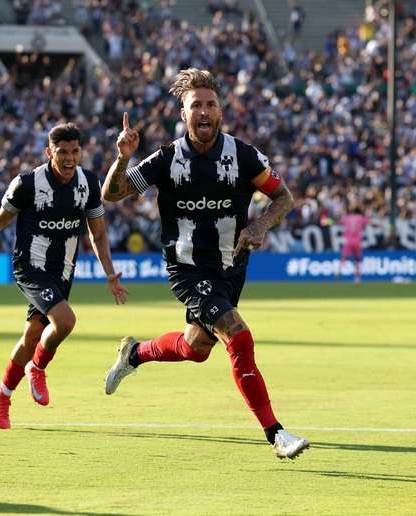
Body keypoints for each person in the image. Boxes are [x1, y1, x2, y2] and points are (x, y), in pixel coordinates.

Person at [101, 68, 309, 459]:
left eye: (210, 104)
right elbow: (113, 194)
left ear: (221, 110)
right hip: (187, 267)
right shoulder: (166, 159)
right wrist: (120, 159)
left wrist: (260, 224)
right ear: (184, 114)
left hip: (232, 266)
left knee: (196, 347)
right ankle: (276, 435)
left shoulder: (244, 156)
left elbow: (283, 197)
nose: (204, 111)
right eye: (195, 105)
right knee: (239, 336)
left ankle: (134, 354)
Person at [0, 123, 128, 429]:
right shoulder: (27, 183)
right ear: (49, 152)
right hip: (29, 267)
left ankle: (2, 393)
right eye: (62, 152)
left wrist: (109, 274)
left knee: (30, 336)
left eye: (75, 151)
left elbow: (99, 234)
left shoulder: (88, 183)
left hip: (62, 272)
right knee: (65, 321)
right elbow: (2, 218)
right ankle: (37, 367)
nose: (69, 158)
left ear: (81, 151)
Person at [338, 205, 370, 283]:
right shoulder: (361, 218)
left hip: (348, 241)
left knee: (344, 257)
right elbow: (371, 223)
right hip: (357, 241)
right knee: (358, 260)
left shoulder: (347, 218)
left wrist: (326, 221)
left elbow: (337, 222)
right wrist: (384, 225)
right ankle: (357, 278)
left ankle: (339, 271)